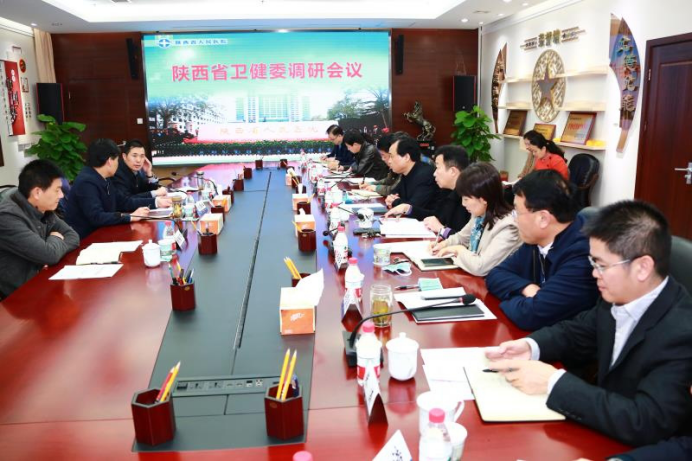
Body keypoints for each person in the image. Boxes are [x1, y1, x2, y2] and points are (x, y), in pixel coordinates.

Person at [485, 201, 692, 447]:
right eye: (593, 263)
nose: (594, 273)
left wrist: (553, 383)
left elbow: (645, 421)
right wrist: (530, 346)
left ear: (642, 267)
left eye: (601, 265)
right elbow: (576, 332)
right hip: (601, 429)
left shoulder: (681, 332)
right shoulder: (616, 296)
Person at [486, 170, 599, 331]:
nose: (515, 220)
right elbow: (495, 275)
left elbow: (530, 315)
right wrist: (526, 288)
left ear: (543, 219)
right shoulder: (536, 240)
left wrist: (513, 297)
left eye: (517, 212)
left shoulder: (583, 257)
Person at [0, 160, 80, 299]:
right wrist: (54, 238)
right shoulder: (6, 217)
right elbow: (50, 255)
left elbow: (73, 236)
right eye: (57, 190)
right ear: (37, 192)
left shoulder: (42, 206)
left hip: (45, 282)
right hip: (20, 297)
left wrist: (50, 249)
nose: (61, 195)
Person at [431, 163, 521, 277]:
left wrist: (459, 250)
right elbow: (461, 238)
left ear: (483, 199)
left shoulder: (508, 227)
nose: (463, 204)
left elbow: (480, 267)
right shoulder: (479, 214)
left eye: (466, 199)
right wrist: (443, 244)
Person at [66, 138, 154, 239]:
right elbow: (96, 217)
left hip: (105, 232)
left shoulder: (104, 177)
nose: (118, 164)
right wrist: (130, 217)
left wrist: (155, 202)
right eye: (117, 160)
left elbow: (123, 201)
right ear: (110, 161)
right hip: (88, 239)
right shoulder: (86, 182)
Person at [385, 145, 471, 236]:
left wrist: (442, 229)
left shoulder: (470, 197)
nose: (434, 174)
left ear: (452, 171)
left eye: (438, 168)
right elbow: (435, 217)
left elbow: (467, 239)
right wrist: (407, 208)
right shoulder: (447, 191)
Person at [384, 136, 442, 212]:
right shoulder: (406, 172)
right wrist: (391, 198)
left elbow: (412, 207)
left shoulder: (425, 175)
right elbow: (394, 192)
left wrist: (394, 202)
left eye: (391, 156)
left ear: (406, 157)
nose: (389, 161)